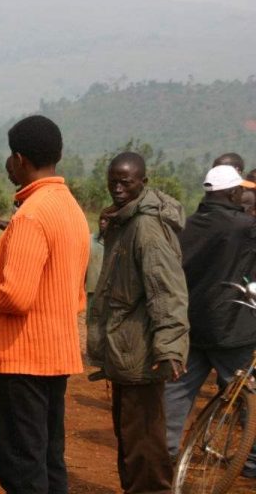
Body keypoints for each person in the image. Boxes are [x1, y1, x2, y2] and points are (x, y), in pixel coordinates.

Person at [0, 116, 89, 493]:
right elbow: (75, 294)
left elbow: (15, 296)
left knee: (21, 467)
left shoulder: (32, 215)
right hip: (55, 353)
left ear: (19, 159)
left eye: (9, 157)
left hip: (23, 357)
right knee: (49, 458)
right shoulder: (71, 210)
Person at [87, 152, 189, 494]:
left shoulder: (146, 228)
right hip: (126, 351)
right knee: (132, 442)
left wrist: (170, 348)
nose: (117, 188)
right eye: (113, 180)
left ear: (142, 183)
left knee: (144, 445)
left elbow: (167, 292)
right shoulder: (123, 222)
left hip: (143, 356)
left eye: (125, 182)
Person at [164, 165, 256, 477]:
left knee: (175, 396)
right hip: (232, 330)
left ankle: (164, 461)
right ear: (232, 193)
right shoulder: (244, 227)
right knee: (248, 397)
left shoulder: (188, 226)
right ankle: (252, 461)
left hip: (190, 327)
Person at [85, 216, 108, 315]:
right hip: (92, 289)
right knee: (91, 319)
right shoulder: (89, 239)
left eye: (106, 220)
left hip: (108, 292)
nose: (102, 222)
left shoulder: (117, 242)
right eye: (101, 219)